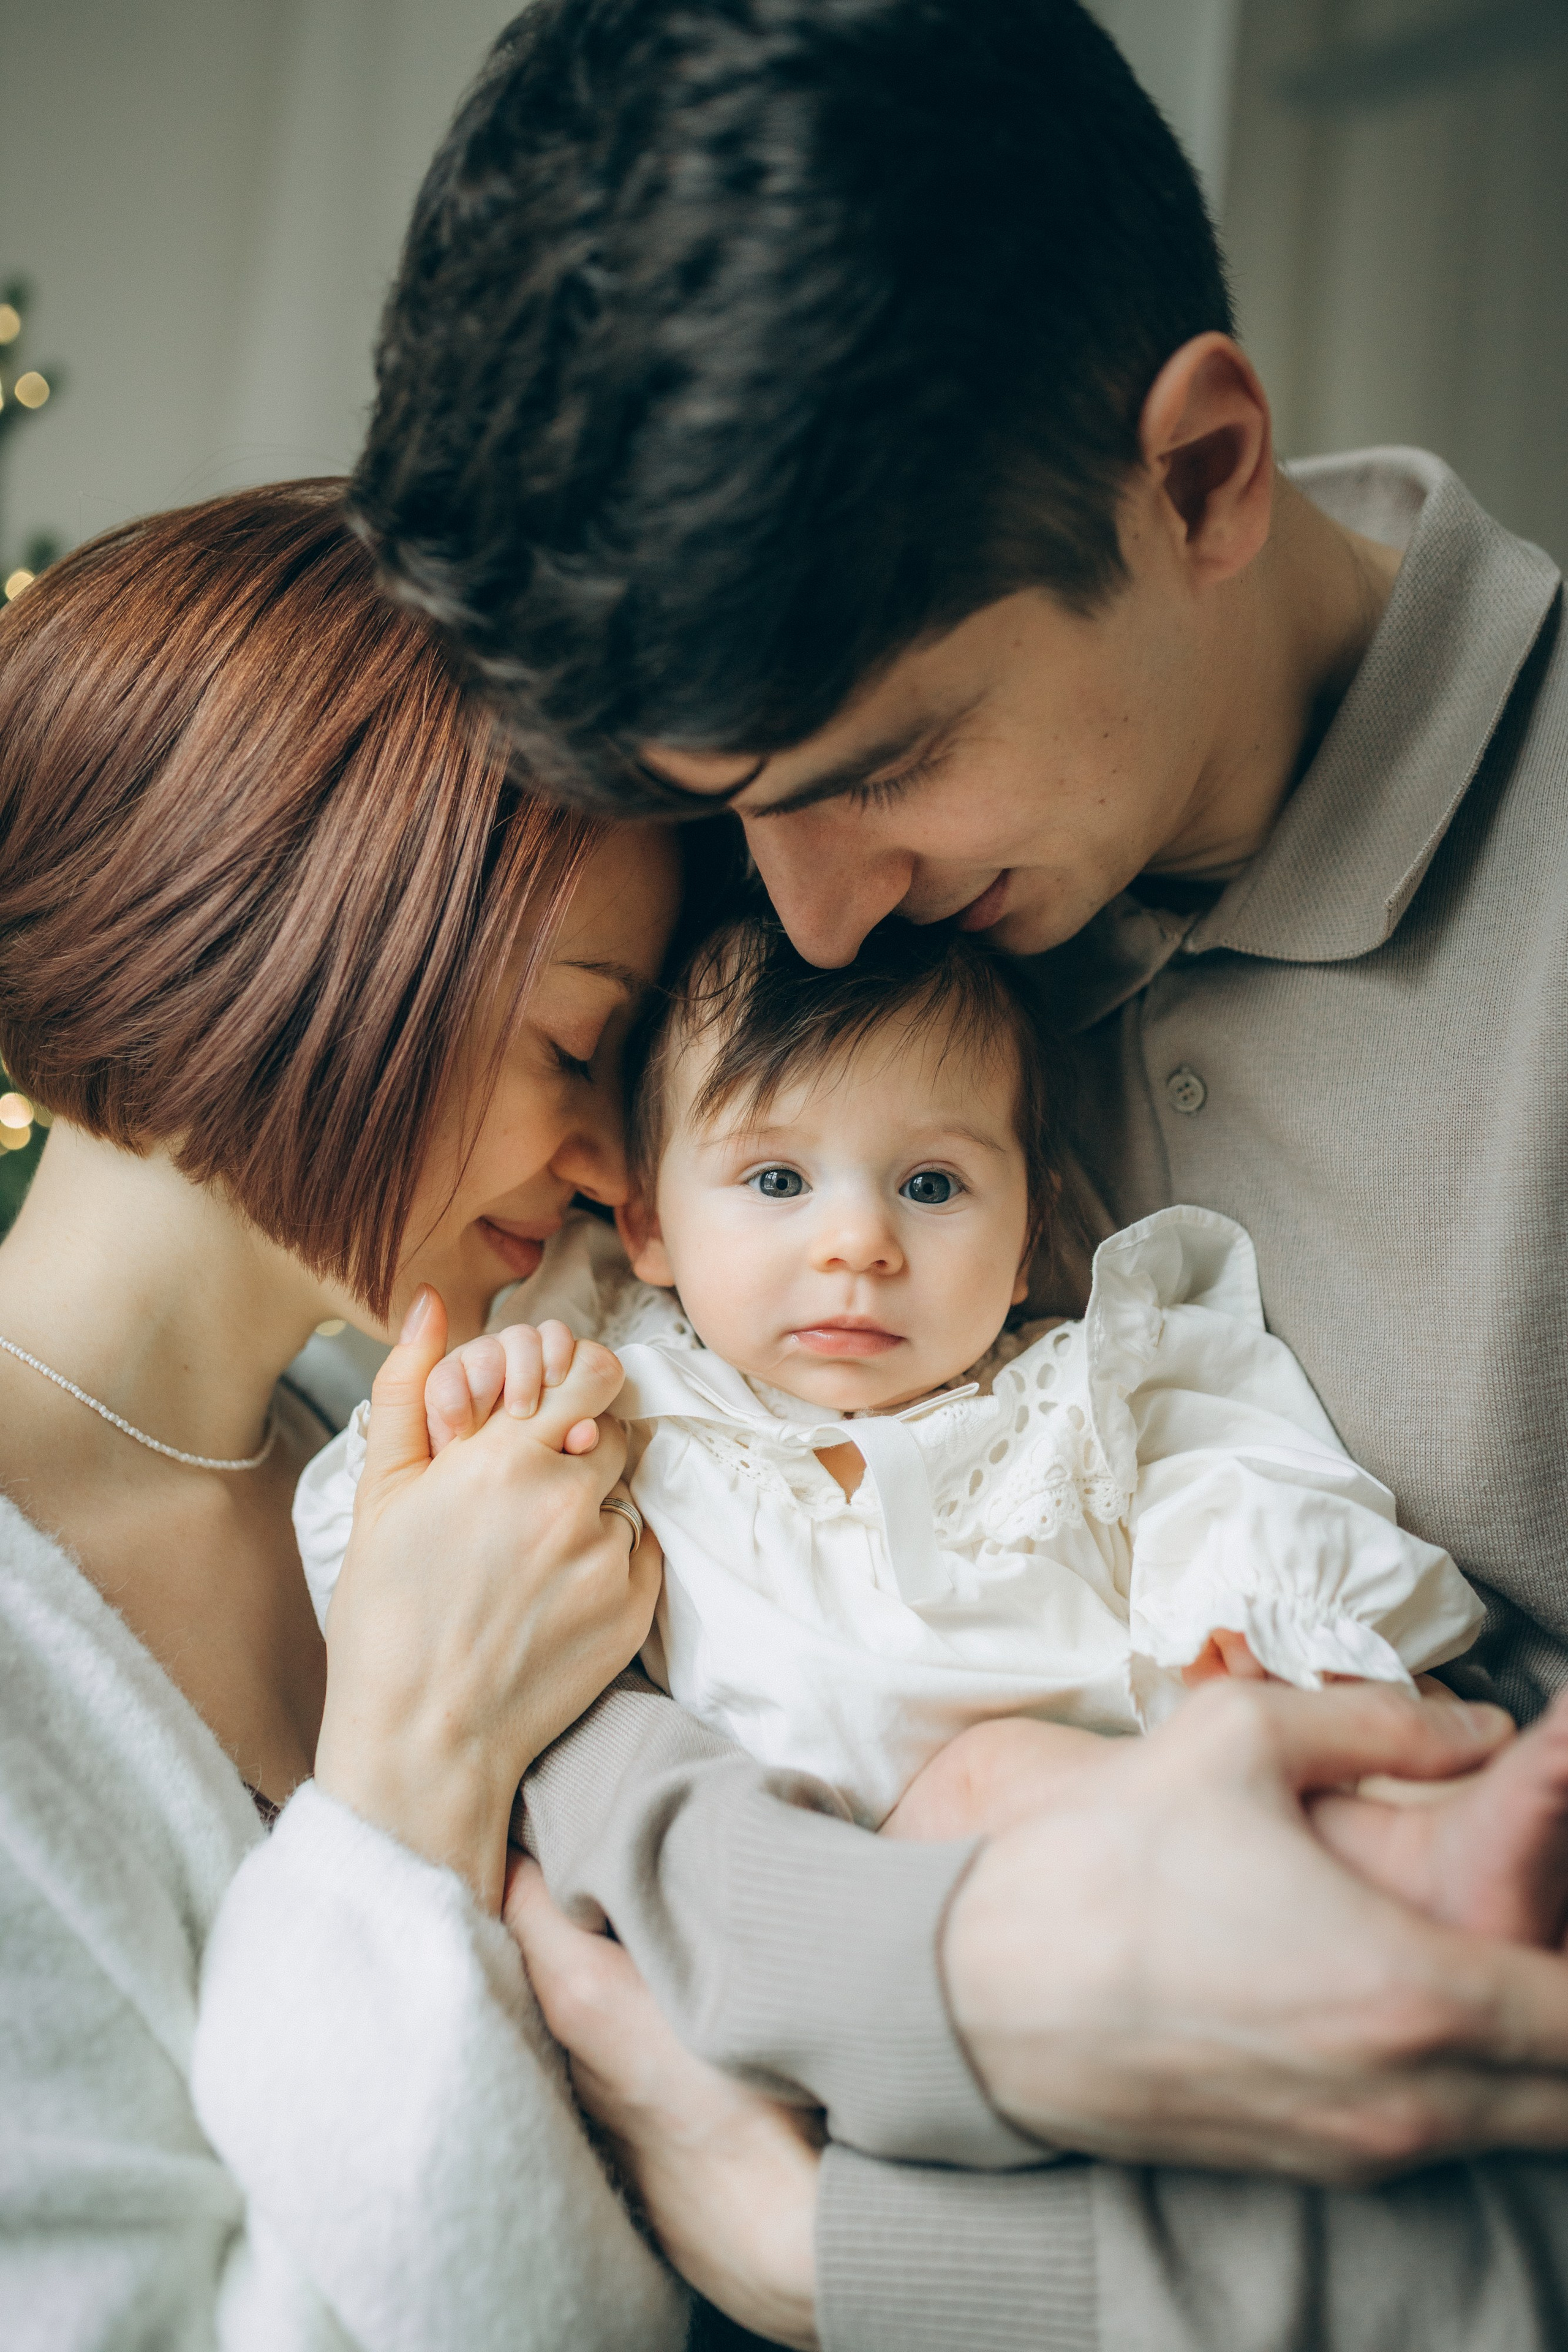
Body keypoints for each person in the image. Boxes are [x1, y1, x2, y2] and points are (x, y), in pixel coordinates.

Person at [347, 0, 1568, 2342]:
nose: (800, 921)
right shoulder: (787, 880)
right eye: (732, 807)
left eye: (884, 765)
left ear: (1203, 476)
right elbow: (590, 1613)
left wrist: (857, 2255)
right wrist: (956, 1946)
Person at [0, 476, 819, 2348]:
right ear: (297, 923)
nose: (623, 1170)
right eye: (575, 1047)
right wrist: (399, 1783)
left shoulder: (408, 1457)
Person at [296, 908, 1568, 1967]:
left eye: (931, 1185)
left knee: (1280, 1744)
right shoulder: (619, 1402)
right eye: (778, 1182)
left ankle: (1425, 1857)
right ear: (648, 1227)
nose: (858, 1242)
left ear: (1028, 1239)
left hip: (1158, 1848)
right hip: (816, 1915)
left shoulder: (1088, 1392)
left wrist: (1254, 1642)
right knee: (989, 1776)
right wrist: (486, 1409)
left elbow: (1241, 1478)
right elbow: (379, 1553)